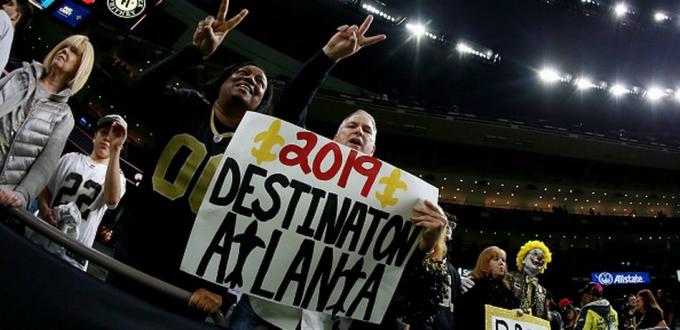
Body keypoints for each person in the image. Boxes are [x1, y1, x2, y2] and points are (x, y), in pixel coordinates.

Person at [110, 0, 386, 319]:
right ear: (221, 82)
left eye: (260, 84)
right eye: (242, 73)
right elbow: (134, 95)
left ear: (262, 107)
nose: (251, 79)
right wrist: (193, 53)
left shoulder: (261, 145)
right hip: (133, 250)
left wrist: (326, 58)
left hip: (192, 281)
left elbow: (255, 226)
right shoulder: (187, 105)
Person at [229, 110, 448, 329]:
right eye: (351, 125)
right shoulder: (296, 171)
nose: (358, 131)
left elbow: (387, 271)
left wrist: (424, 247)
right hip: (263, 308)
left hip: (324, 321)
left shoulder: (391, 205)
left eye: (367, 130)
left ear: (372, 150)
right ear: (336, 137)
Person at [0, 34, 94, 208]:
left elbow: (45, 165)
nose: (65, 51)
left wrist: (22, 194)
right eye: (64, 47)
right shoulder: (20, 76)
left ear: (79, 68)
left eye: (73, 51)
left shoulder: (64, 116)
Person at [28, 114, 127, 271]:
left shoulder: (117, 176)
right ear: (94, 136)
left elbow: (112, 201)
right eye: (104, 132)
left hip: (73, 257)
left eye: (114, 134)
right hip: (42, 238)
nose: (108, 138)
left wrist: (116, 150)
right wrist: (46, 210)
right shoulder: (69, 159)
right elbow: (46, 190)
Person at [457, 246, 519, 330]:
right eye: (496, 259)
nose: (501, 263)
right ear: (484, 263)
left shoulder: (508, 293)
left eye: (503, 260)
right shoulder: (471, 286)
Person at [506, 240, 553, 320]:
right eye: (535, 253)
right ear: (523, 259)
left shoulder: (543, 291)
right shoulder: (509, 278)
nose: (539, 258)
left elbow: (543, 319)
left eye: (543, 258)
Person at [0, 0, 32, 73]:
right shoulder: (9, 36)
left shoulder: (3, 17)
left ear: (16, 16)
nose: (4, 5)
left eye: (10, 4)